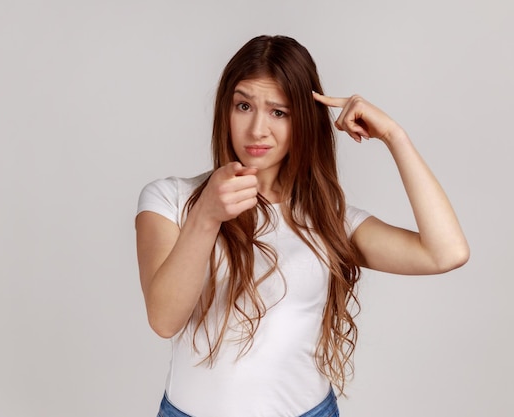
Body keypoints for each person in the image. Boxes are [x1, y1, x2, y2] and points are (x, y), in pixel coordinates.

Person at [135, 35, 469, 417]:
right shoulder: (171, 200)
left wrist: (395, 137)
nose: (258, 129)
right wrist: (207, 215)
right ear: (225, 111)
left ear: (304, 122)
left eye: (279, 112)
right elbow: (163, 320)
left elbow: (447, 253)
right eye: (244, 106)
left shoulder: (330, 221)